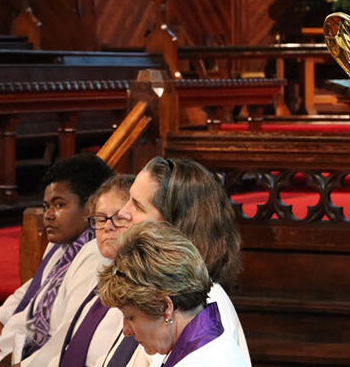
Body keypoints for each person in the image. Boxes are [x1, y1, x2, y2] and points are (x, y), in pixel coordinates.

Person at [97, 156, 249, 366]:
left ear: (173, 225)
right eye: (128, 200)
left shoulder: (197, 305)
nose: (122, 213)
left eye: (138, 207)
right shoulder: (145, 287)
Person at [0, 155, 114, 367]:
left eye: (59, 205)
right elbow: (33, 288)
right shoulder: (60, 244)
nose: (48, 215)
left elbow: (69, 335)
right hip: (17, 347)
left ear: (91, 207)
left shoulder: (96, 255)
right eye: (46, 206)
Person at [98, 221, 248, 366]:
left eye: (131, 317)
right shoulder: (209, 347)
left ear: (165, 307)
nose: (126, 331)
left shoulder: (202, 360)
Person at [43, 174, 133, 367]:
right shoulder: (104, 281)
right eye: (100, 219)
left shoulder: (142, 292)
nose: (107, 227)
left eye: (118, 218)